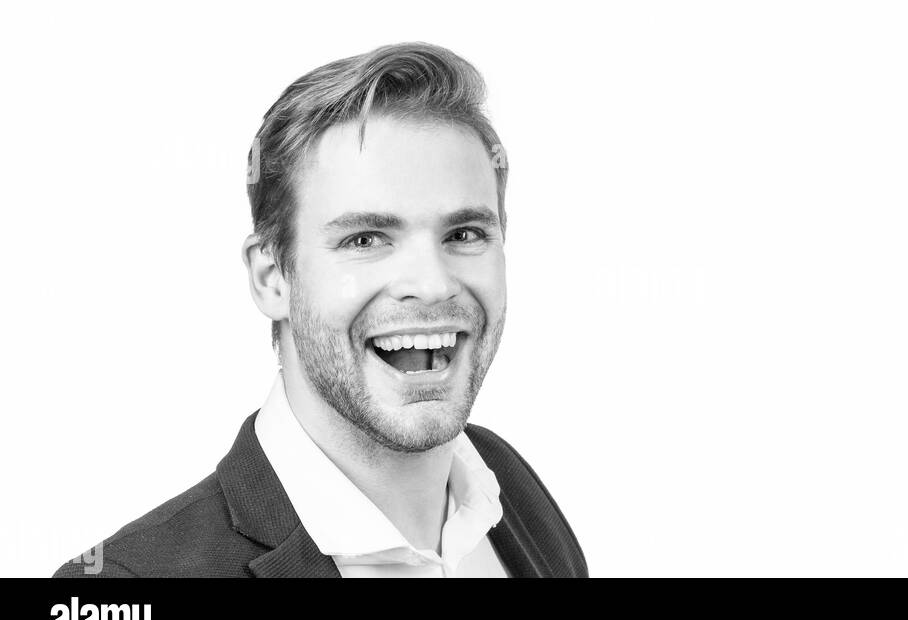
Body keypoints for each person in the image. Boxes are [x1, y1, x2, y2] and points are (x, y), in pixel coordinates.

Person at [54, 42, 587, 578]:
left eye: (465, 233)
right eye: (365, 239)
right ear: (271, 278)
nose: (431, 285)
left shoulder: (508, 486)